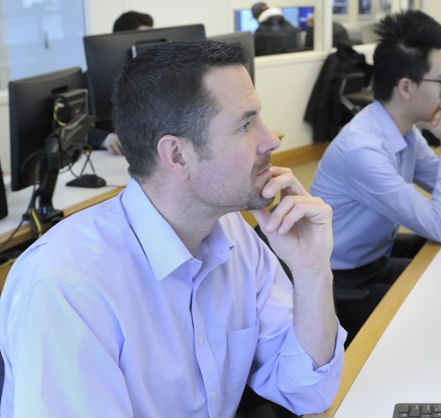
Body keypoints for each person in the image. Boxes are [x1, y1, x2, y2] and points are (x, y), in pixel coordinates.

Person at [0, 40, 345, 417]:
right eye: (246, 124)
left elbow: (307, 391)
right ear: (178, 155)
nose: (271, 139)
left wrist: (312, 272)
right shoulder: (68, 288)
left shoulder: (235, 235)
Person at [309, 10, 441, 341]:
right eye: (440, 81)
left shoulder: (404, 132)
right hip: (340, 284)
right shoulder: (363, 151)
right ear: (405, 87)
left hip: (376, 261)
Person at [88, 11, 155, 155]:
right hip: (110, 158)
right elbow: (76, 131)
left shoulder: (153, 78)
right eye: (142, 40)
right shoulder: (92, 79)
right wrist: (105, 138)